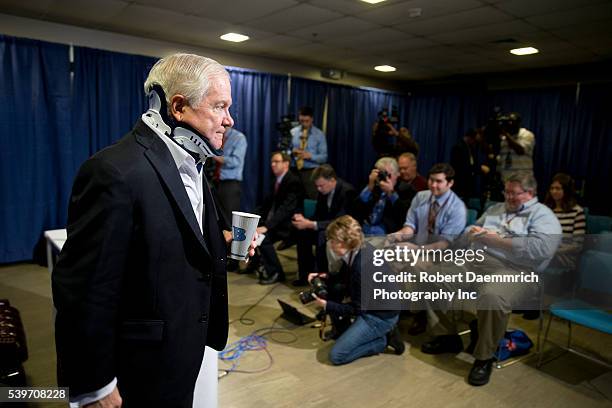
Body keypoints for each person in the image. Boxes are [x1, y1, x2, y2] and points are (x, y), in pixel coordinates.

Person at [52, 53, 257, 407]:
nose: (230, 120)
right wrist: (94, 386)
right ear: (178, 107)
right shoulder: (114, 171)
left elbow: (171, 239)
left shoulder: (192, 160)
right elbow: (84, 290)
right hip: (137, 368)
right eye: (220, 107)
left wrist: (219, 244)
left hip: (182, 350)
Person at [419, 173, 561, 386]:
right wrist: (471, 232)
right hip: (476, 260)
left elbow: (540, 249)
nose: (508, 197)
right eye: (507, 192)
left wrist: (499, 241)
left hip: (516, 269)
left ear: (530, 194)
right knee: (431, 277)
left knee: (493, 297)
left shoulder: (544, 216)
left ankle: (484, 357)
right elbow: (472, 229)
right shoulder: (496, 209)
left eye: (514, 194)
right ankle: (447, 335)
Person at [310, 215, 404, 365]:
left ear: (342, 243)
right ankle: (351, 331)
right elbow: (344, 276)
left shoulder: (362, 266)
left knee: (337, 356)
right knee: (335, 288)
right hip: (372, 306)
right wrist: (323, 276)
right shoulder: (359, 249)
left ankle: (383, 340)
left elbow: (357, 308)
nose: (330, 244)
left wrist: (326, 305)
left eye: (332, 241)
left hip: (379, 316)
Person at [388, 163, 467, 334]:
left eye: (439, 182)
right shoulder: (421, 197)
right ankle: (391, 312)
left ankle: (420, 314)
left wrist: (415, 249)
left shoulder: (458, 208)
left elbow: (443, 244)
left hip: (444, 257)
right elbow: (410, 227)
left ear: (450, 183)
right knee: (388, 258)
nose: (433, 185)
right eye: (431, 180)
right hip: (419, 247)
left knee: (416, 266)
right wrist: (397, 236)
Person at [292, 164, 356, 286]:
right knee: (302, 233)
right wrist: (304, 221)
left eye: (321, 185)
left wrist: (311, 224)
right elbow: (318, 215)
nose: (319, 189)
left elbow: (341, 221)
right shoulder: (323, 192)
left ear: (332, 180)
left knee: (322, 235)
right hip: (325, 225)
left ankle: (321, 277)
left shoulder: (347, 192)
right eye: (317, 186)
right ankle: (305, 275)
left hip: (342, 228)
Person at [251, 152, 303, 284]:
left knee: (263, 238)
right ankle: (255, 265)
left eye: (276, 161)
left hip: (289, 225)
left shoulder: (293, 181)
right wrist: (252, 218)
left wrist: (266, 226)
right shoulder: (276, 180)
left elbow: (286, 209)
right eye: (272, 162)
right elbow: (265, 206)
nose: (273, 164)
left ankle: (276, 273)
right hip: (275, 222)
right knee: (252, 232)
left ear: (286, 164)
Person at [212, 126, 247, 271]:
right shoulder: (215, 135)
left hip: (231, 184)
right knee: (220, 221)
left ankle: (234, 260)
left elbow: (235, 162)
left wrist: (214, 156)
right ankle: (224, 255)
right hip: (216, 182)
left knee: (232, 223)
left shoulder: (238, 138)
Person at [353, 157, 415, 235]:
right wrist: (369, 188)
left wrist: (391, 193)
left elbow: (405, 215)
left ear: (397, 174)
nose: (384, 179)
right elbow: (354, 210)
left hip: (388, 234)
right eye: (381, 175)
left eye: (387, 175)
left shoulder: (406, 189)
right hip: (364, 231)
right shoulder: (372, 186)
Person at [290, 106, 328, 199]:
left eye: (307, 121)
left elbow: (324, 157)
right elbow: (285, 150)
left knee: (311, 198)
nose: (304, 124)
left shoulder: (319, 135)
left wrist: (310, 156)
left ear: (312, 119)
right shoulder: (293, 132)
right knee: (293, 198)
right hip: (294, 170)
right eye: (302, 121)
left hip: (311, 172)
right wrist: (292, 152)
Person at [450, 128, 490, 201]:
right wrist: (480, 168)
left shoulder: (471, 148)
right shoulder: (458, 147)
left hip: (469, 183)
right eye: (474, 140)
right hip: (460, 183)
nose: (474, 143)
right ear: (469, 137)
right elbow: (463, 167)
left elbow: (472, 163)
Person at [497, 112, 535, 181]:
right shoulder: (503, 138)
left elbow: (520, 150)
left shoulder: (526, 134)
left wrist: (505, 134)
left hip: (523, 180)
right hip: (506, 179)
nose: (510, 124)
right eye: (509, 122)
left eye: (513, 122)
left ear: (519, 123)